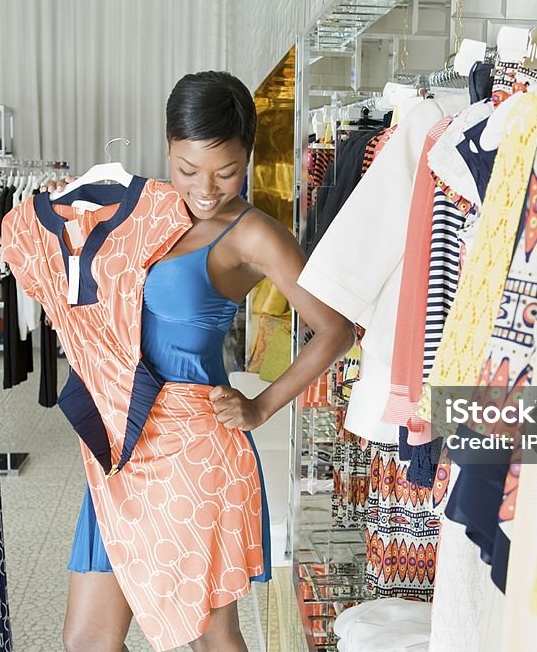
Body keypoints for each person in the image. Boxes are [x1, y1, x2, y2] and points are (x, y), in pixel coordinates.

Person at [44, 72, 355, 651]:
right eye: (187, 170)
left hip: (193, 450)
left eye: (226, 171)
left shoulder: (253, 234)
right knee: (87, 639)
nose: (206, 189)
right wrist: (71, 215)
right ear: (167, 147)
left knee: (208, 637)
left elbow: (336, 328)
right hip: (119, 448)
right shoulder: (137, 213)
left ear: (249, 157)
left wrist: (261, 406)